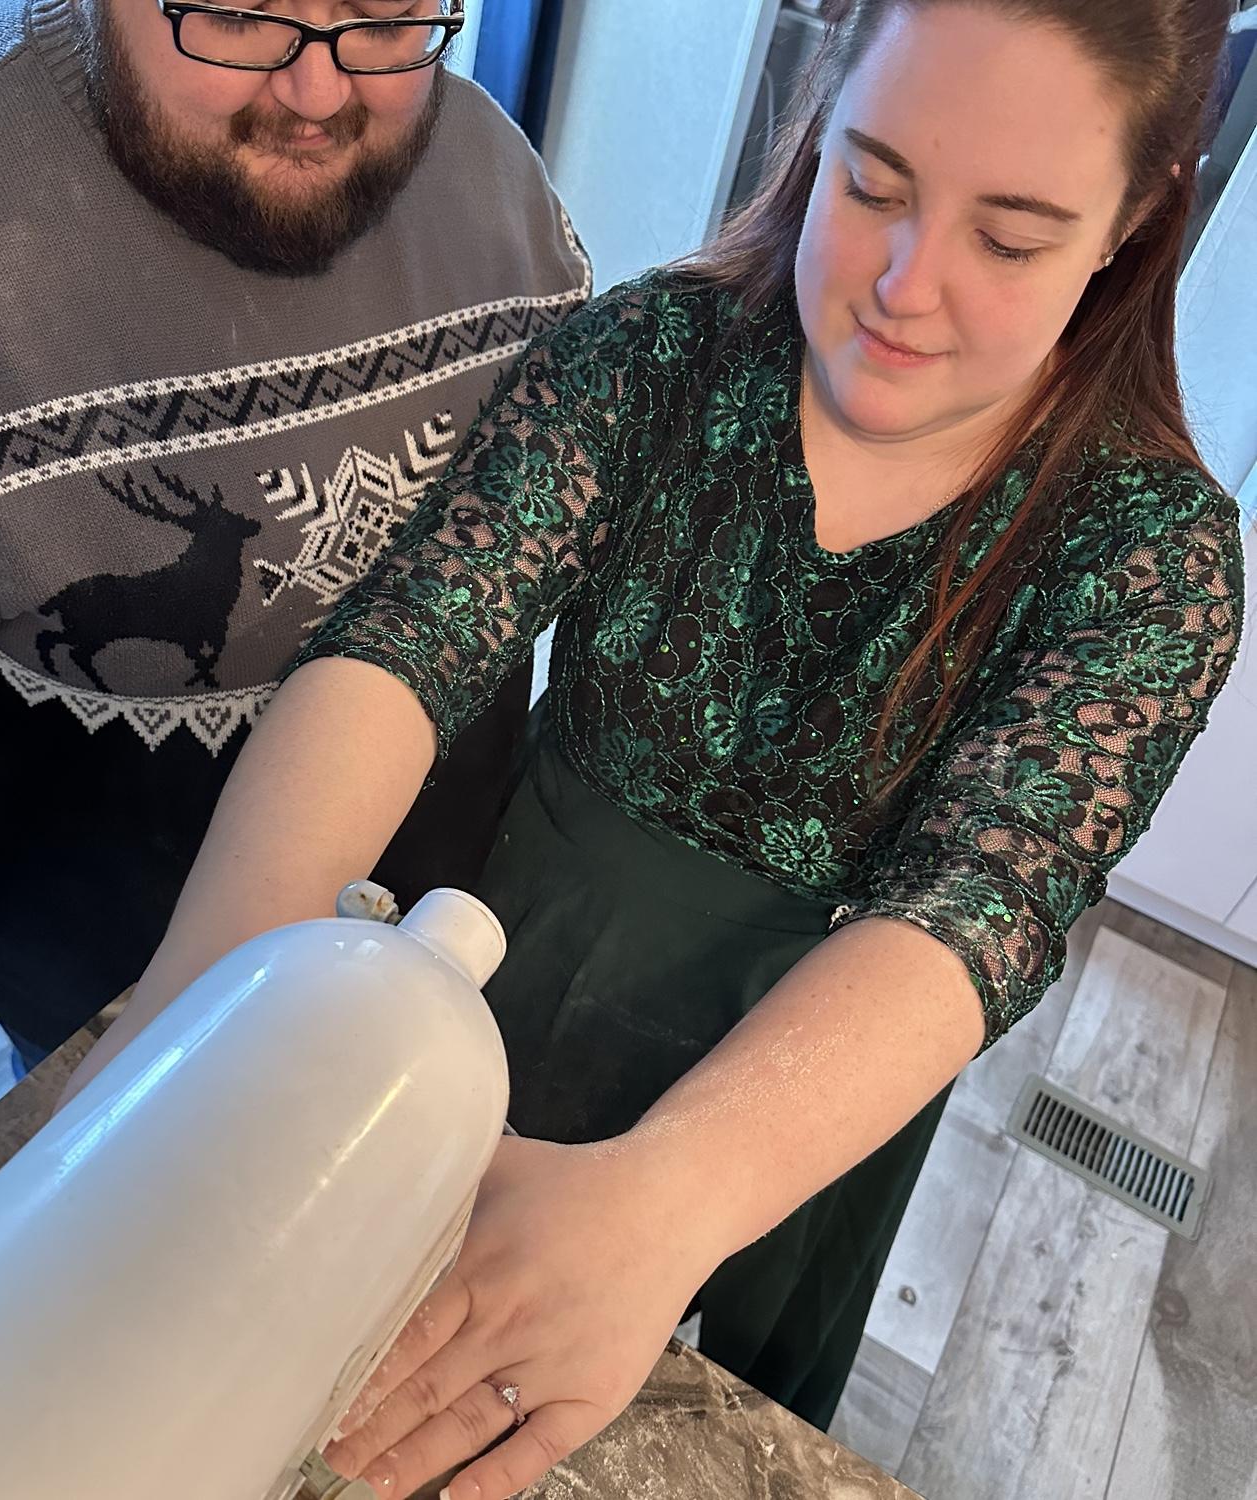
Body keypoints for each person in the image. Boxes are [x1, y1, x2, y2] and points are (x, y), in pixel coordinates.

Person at [70, 0, 1247, 1493]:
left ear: (1135, 224)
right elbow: (411, 641)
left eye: (1010, 240)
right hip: (523, 948)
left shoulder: (1151, 554)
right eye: (872, 183)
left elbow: (983, 899)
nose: (904, 285)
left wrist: (673, 1197)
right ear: (819, 121)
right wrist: (197, 1002)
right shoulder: (657, 352)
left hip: (819, 1064)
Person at [0, 0, 589, 1340]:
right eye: (241, 12)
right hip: (101, 993)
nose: (318, 93)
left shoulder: (504, 196)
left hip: (430, 944)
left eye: (384, 19)